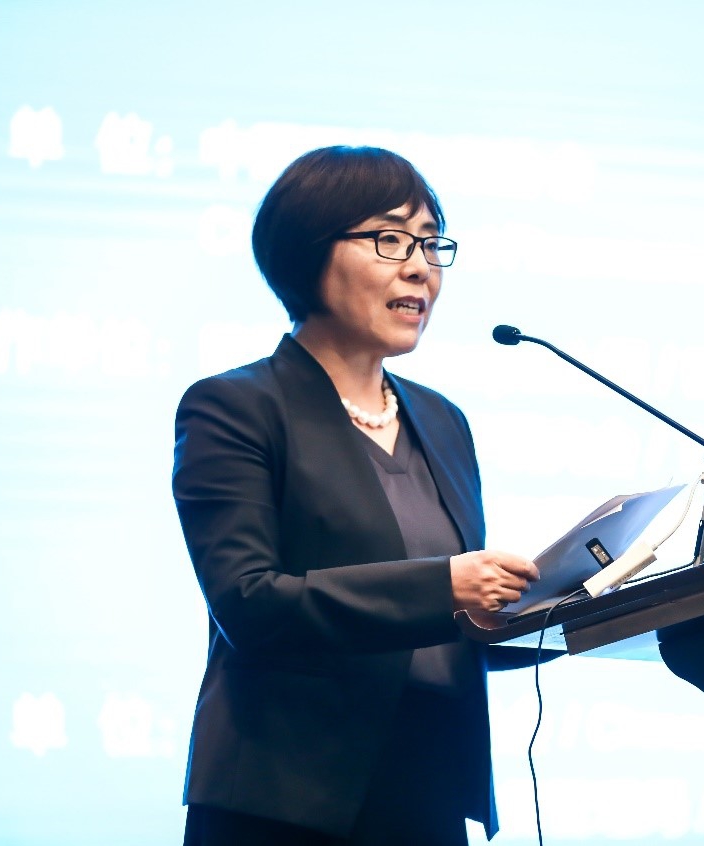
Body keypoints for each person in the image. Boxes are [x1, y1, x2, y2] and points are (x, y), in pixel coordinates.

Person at [173, 146, 543, 845]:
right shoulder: (235, 407)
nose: (420, 267)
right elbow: (248, 602)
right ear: (306, 251)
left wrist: (580, 606)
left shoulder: (442, 420)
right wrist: (445, 585)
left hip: (428, 788)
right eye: (390, 239)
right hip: (284, 799)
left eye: (431, 243)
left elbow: (450, 631)